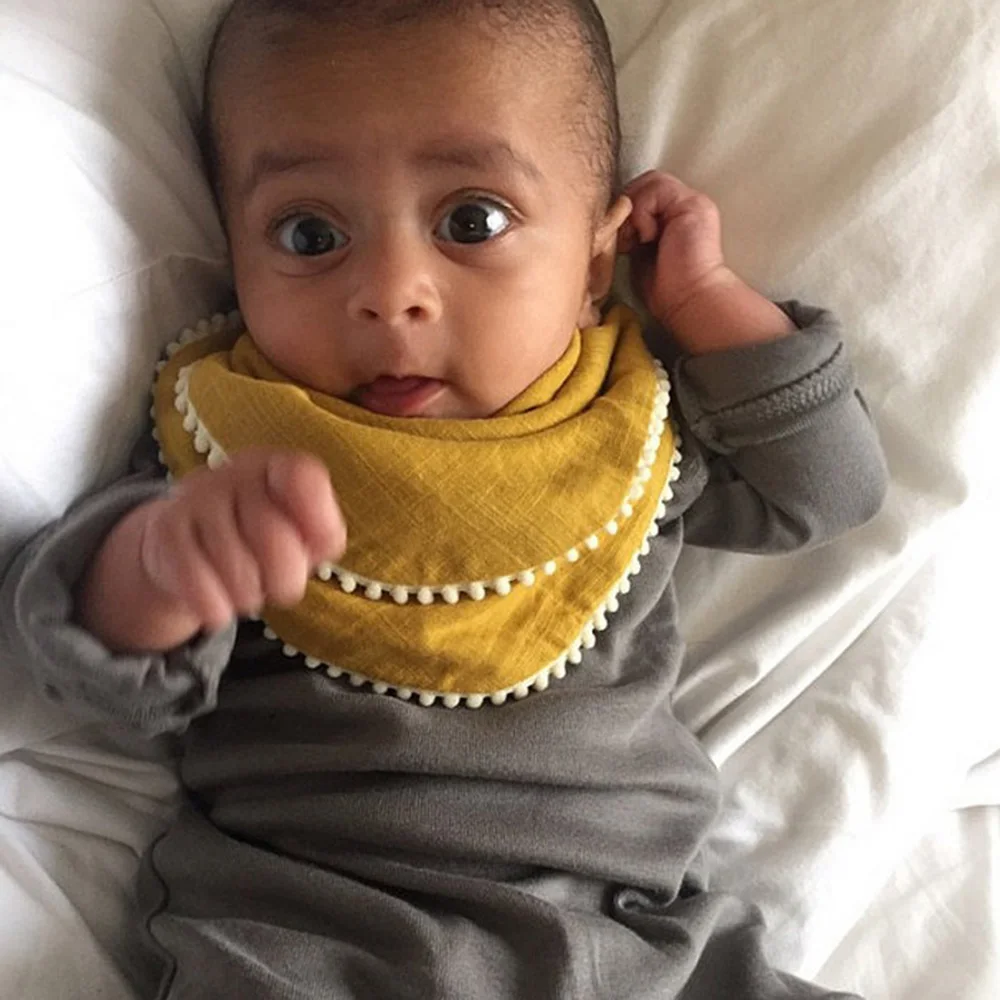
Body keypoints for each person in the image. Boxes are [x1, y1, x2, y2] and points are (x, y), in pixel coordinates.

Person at [0, 0, 888, 996]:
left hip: (631, 938)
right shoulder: (229, 444)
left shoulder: (631, 425)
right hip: (311, 933)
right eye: (309, 233)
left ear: (595, 263)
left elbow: (829, 492)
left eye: (473, 220)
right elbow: (85, 665)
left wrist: (706, 298)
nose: (391, 290)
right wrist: (157, 571)